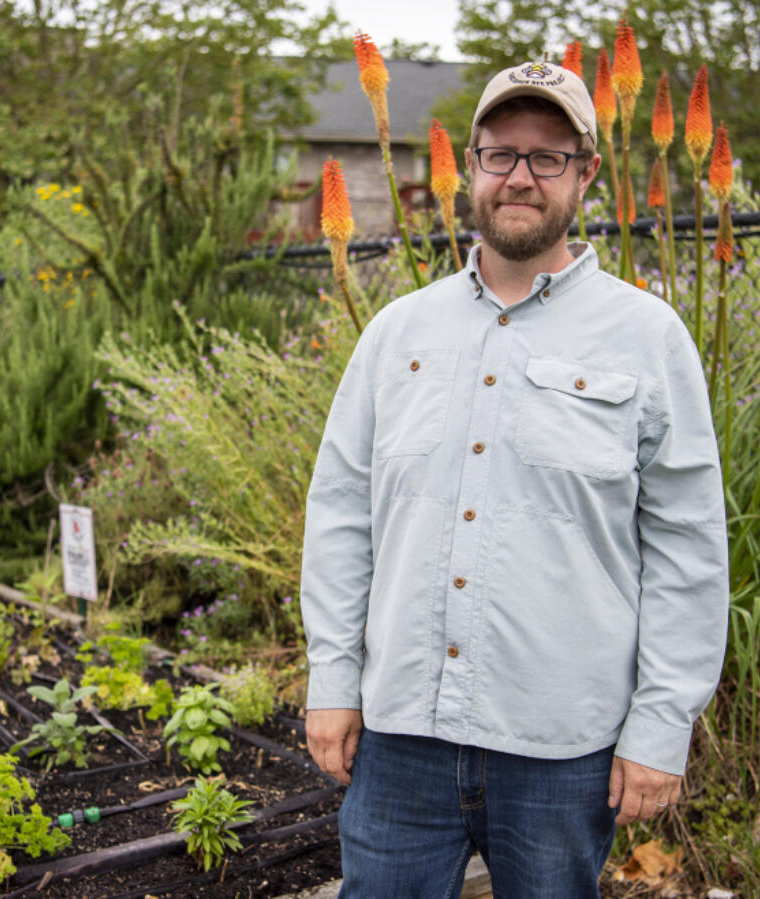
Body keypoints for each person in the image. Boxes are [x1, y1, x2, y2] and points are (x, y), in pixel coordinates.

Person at [299, 60, 729, 898]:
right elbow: (343, 515)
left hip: (562, 752)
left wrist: (662, 721)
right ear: (472, 167)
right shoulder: (397, 333)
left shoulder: (648, 338)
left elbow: (687, 543)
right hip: (399, 740)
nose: (521, 177)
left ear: (585, 174)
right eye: (501, 155)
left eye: (548, 157)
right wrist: (332, 680)